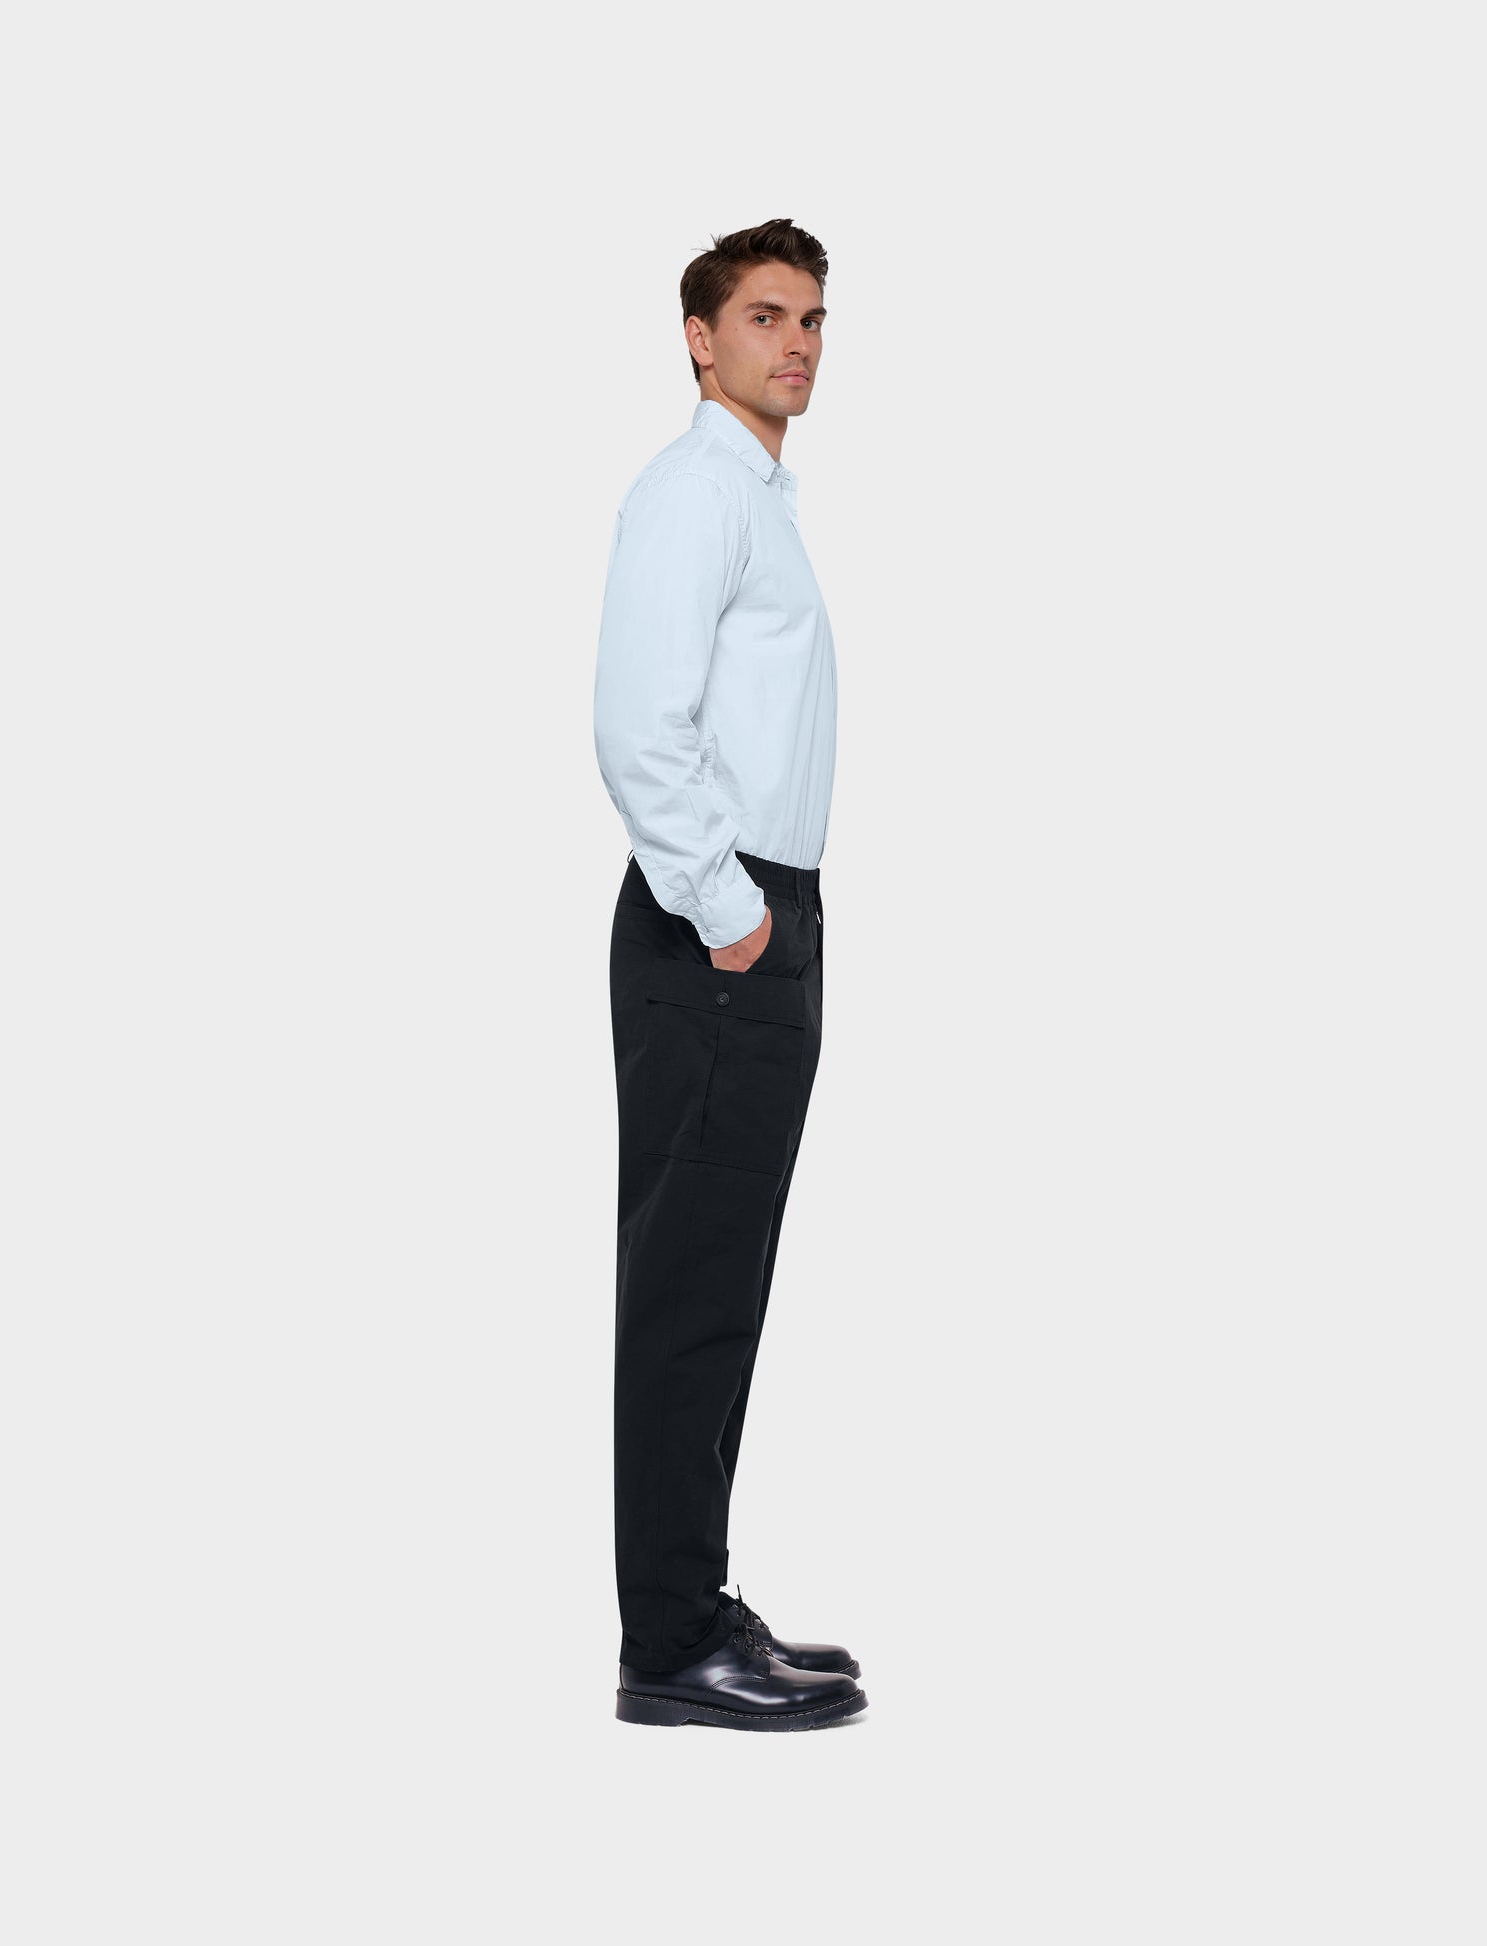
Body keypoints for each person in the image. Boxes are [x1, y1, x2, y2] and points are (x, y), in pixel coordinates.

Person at [593, 218, 864, 1731]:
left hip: (754, 920)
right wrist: (729, 910)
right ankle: (671, 1640)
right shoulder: (695, 494)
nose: (798, 343)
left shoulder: (757, 500)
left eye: (813, 319)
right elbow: (640, 723)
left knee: (721, 1280)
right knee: (690, 1291)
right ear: (701, 339)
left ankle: (691, 1607)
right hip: (716, 930)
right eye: (767, 316)